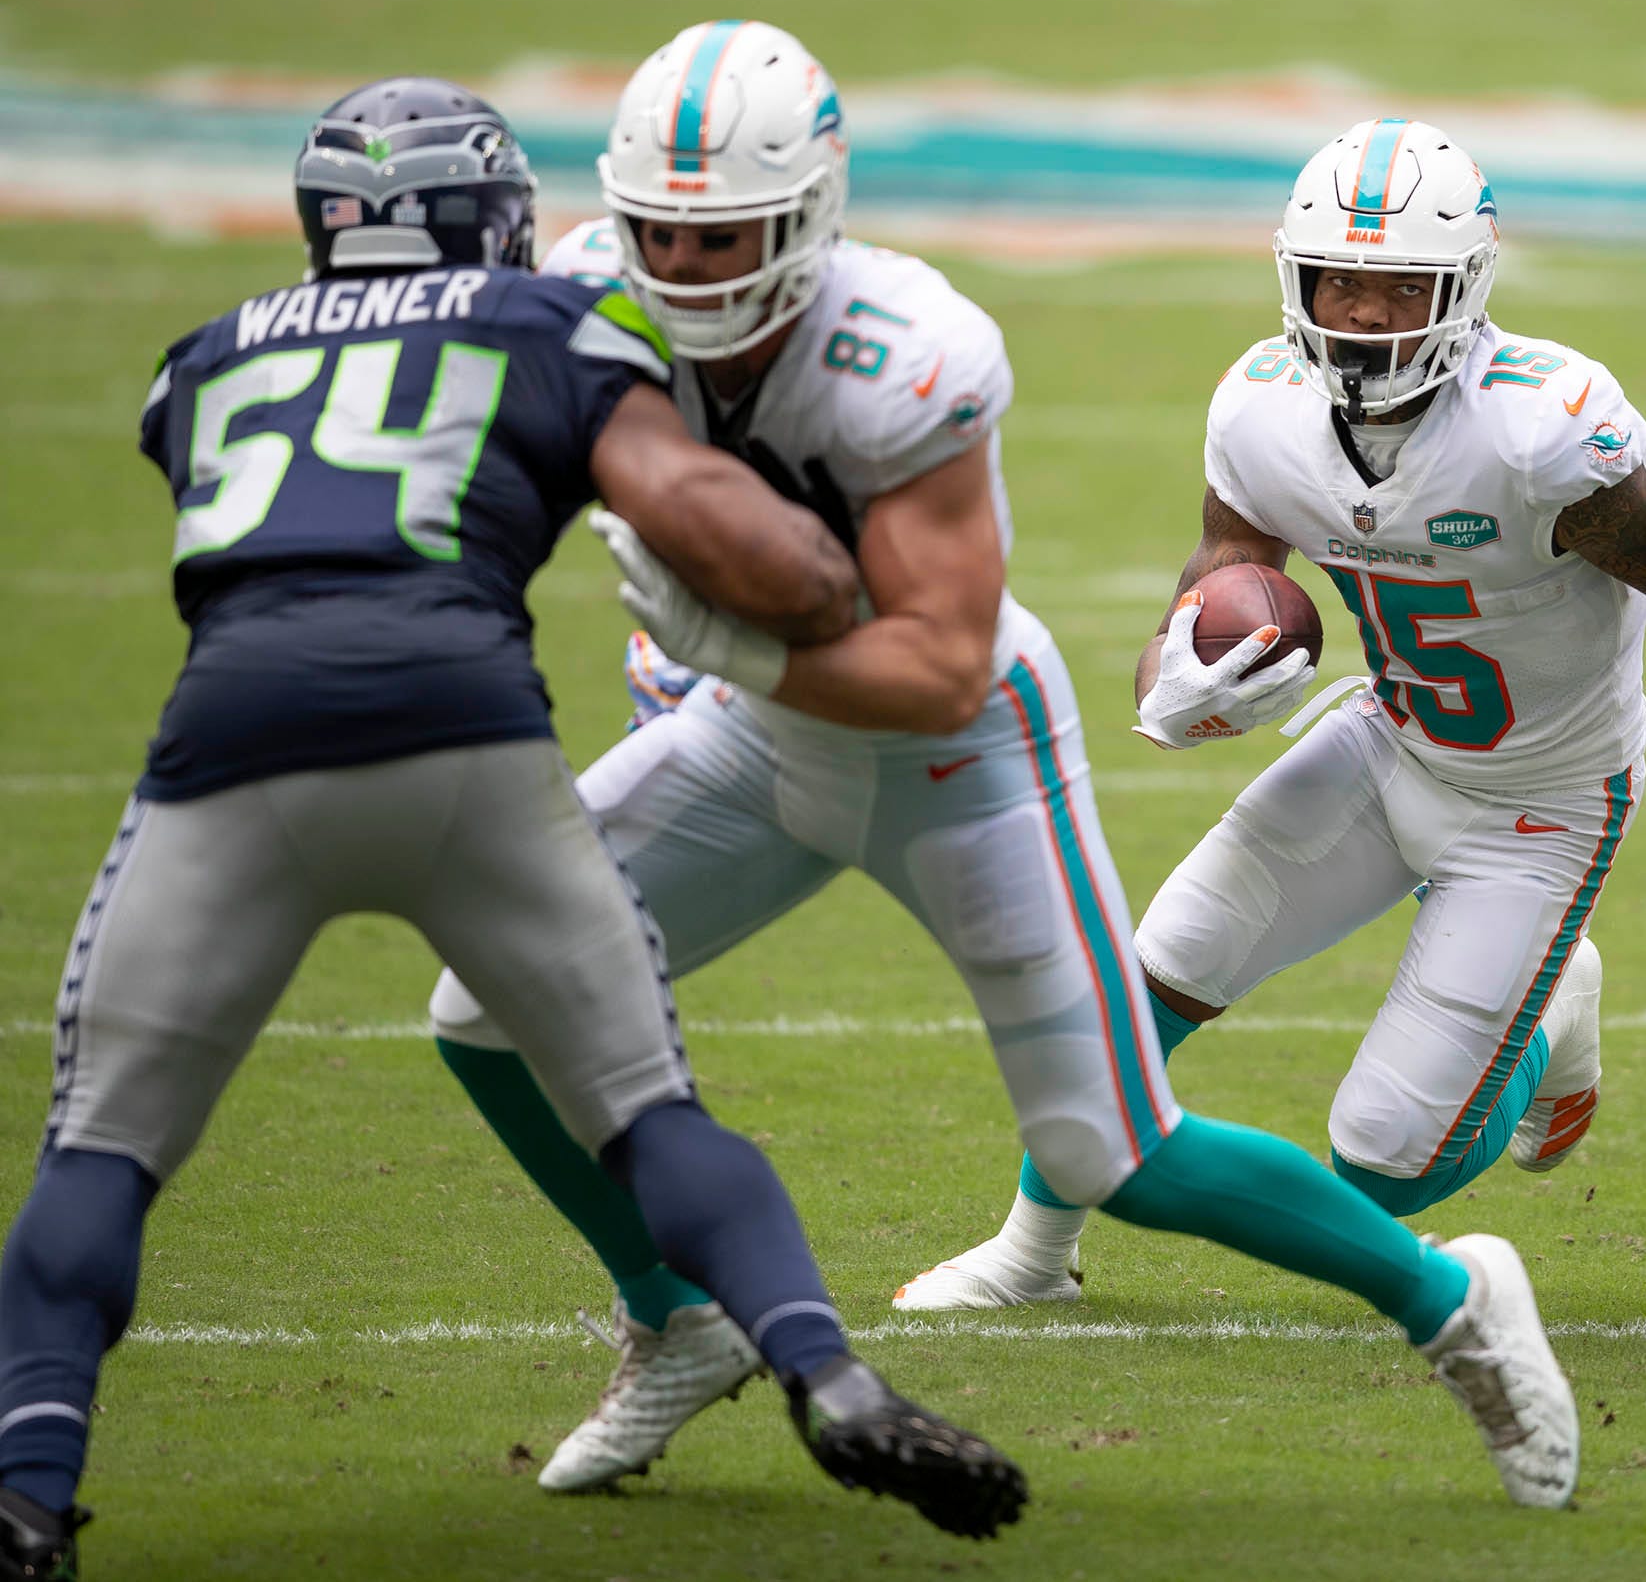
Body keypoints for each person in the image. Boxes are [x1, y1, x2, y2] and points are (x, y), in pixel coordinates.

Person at [426, 26, 1583, 1512]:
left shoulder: (904, 350)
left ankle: (1453, 1303)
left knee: (1110, 1149)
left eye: (728, 238)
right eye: (660, 232)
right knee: (486, 1010)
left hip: (957, 750)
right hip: (752, 730)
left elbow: (936, 668)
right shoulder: (583, 293)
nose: (689, 269)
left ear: (812, 215)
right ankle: (676, 1315)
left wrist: (728, 639)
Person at [0, 78, 1025, 1580]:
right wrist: (788, 595)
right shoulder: (544, 326)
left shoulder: (200, 361)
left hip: (233, 747)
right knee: (647, 1108)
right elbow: (744, 545)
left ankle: (30, 1486)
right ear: (498, 219)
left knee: (100, 1151)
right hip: (460, 733)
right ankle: (825, 1370)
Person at [894, 117, 1646, 1311]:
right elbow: (1220, 568)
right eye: (1339, 280)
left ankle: (1558, 1011)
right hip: (1385, 741)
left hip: (1542, 805)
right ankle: (1033, 1252)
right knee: (1150, 971)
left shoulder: (1540, 431)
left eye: (1396, 284)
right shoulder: (1264, 407)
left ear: (1460, 288)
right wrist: (1179, 677)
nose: (1360, 312)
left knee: (1386, 1155)